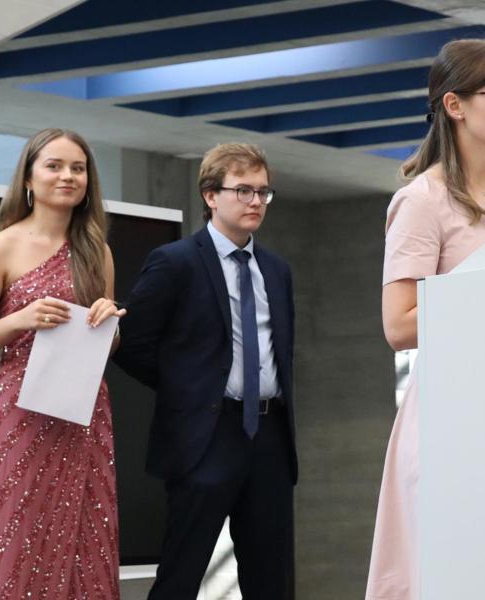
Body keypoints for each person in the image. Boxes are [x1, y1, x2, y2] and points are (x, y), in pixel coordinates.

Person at [365, 39, 485, 600]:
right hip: (454, 415)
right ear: (455, 104)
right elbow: (399, 324)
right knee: (452, 571)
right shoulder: (422, 200)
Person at [114, 142, 296, 600]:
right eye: (243, 190)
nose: (256, 201)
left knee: (272, 582)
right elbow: (131, 344)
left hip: (270, 439)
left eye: (263, 192)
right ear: (211, 195)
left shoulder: (277, 270)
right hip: (206, 436)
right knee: (181, 575)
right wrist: (190, 388)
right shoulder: (175, 261)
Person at [0, 128, 126, 600]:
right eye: (54, 165)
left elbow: (107, 345)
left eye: (78, 168)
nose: (67, 176)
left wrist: (109, 323)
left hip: (84, 410)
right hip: (21, 410)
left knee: (87, 535)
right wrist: (22, 319)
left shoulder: (97, 251)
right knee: (18, 529)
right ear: (29, 178)